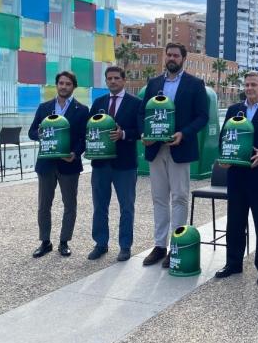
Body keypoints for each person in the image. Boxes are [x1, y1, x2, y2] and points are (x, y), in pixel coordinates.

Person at [138, 43, 209, 268]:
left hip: (180, 147)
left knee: (179, 197)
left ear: (183, 58)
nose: (171, 58)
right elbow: (143, 113)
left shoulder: (195, 84)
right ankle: (159, 246)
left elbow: (202, 117)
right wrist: (144, 134)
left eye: (176, 55)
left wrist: (183, 133)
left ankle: (176, 245)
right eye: (168, 55)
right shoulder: (153, 83)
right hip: (155, 149)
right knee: (159, 198)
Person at [215, 71, 258, 285]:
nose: (249, 88)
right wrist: (223, 157)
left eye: (253, 84)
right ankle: (233, 263)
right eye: (246, 84)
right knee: (235, 221)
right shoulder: (234, 110)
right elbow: (224, 138)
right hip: (236, 175)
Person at [28, 71, 89, 258]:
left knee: (69, 204)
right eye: (61, 83)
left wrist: (75, 154)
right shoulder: (44, 107)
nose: (64, 86)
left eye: (68, 84)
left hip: (69, 164)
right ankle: (45, 241)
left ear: (73, 87)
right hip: (46, 164)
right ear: (56, 85)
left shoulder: (82, 110)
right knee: (43, 205)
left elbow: (83, 138)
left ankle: (64, 241)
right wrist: (41, 134)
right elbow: (31, 132)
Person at [87, 66, 142, 262]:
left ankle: (125, 246)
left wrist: (124, 134)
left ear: (124, 80)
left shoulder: (136, 103)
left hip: (125, 164)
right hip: (101, 164)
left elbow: (141, 131)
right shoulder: (99, 103)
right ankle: (100, 243)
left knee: (126, 206)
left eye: (116, 78)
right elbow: (90, 129)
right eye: (109, 78)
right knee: (99, 206)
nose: (112, 81)